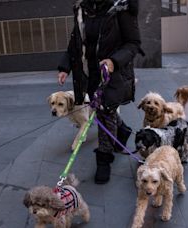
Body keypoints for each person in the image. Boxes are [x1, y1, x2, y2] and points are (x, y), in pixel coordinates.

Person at [57, 0, 143, 184]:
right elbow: (75, 41)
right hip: (89, 73)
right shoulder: (83, 9)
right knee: (102, 110)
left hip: (114, 71)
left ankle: (103, 160)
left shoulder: (122, 7)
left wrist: (114, 61)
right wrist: (65, 66)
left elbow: (133, 43)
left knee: (106, 110)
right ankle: (123, 130)